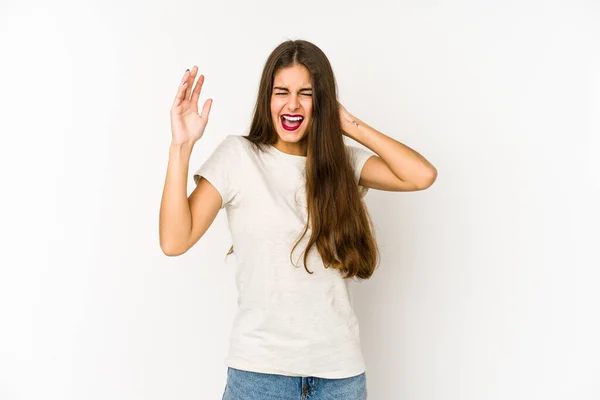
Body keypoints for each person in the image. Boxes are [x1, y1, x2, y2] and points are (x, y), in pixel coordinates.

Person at [159, 39, 437, 400]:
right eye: (281, 92)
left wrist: (348, 123)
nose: (292, 104)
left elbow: (421, 176)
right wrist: (181, 147)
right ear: (267, 99)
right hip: (260, 377)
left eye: (305, 93)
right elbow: (174, 241)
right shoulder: (239, 157)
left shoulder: (342, 165)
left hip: (340, 379)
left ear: (321, 101)